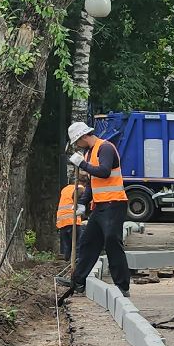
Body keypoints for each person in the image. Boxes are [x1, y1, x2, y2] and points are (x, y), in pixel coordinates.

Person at [59, 121, 131, 297]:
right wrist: (83, 202)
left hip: (114, 204)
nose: (77, 145)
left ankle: (122, 286)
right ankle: (78, 282)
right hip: (100, 205)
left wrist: (82, 164)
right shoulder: (89, 152)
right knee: (88, 242)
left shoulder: (105, 148)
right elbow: (93, 182)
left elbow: (104, 172)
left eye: (77, 141)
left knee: (112, 241)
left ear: (83, 137)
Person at [54, 182, 84, 256]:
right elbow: (82, 201)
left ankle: (67, 259)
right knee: (78, 243)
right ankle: (76, 259)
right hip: (73, 219)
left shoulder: (65, 189)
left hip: (62, 221)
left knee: (68, 245)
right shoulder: (80, 187)